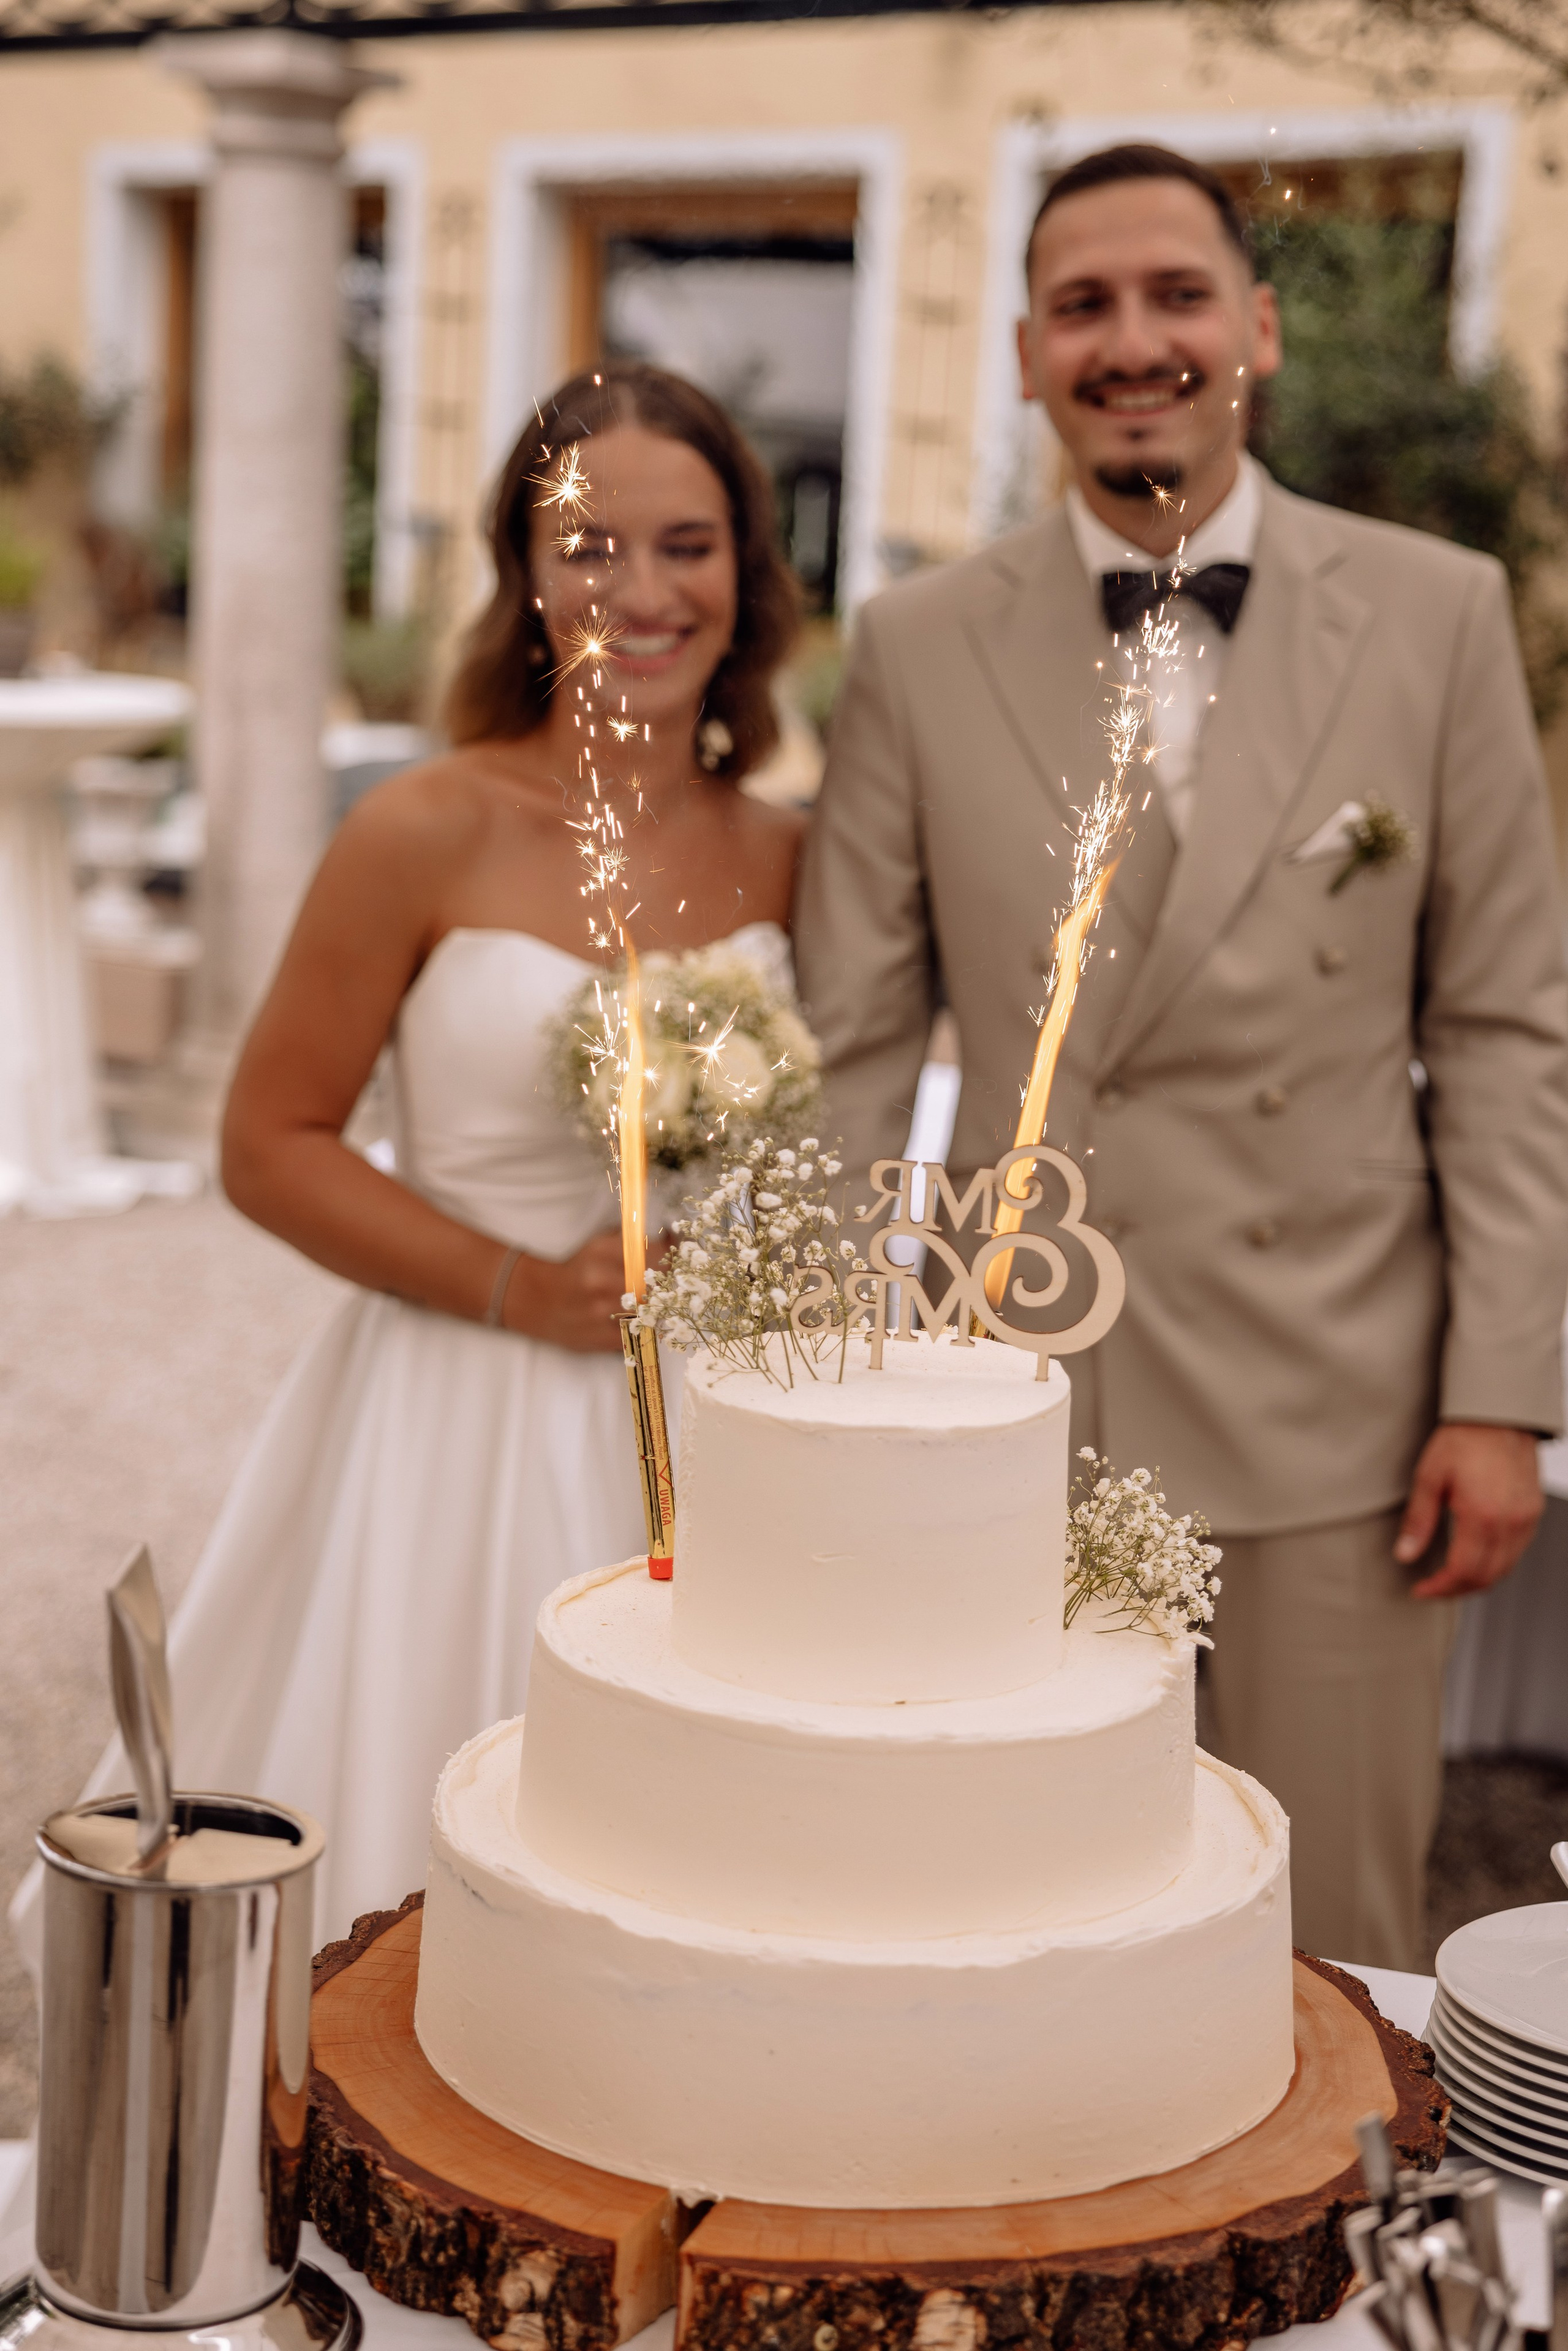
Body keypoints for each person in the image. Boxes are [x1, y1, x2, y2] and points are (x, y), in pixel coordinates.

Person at [794, 144, 1568, 1971]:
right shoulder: (913, 644)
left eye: (1176, 296)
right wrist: (816, 1383)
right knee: (1019, 1917)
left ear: (1261, 329)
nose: (1133, 341)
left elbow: (1506, 1021)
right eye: (1085, 305)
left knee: (1328, 1942)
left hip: (1346, 1416)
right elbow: (850, 1046)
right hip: (1017, 1400)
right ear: (1023, 352)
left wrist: (1501, 1392)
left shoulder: (1441, 610)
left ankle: (1358, 2273)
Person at [15, 361, 803, 1951]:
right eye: (590, 549)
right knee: (437, 1852)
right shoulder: (425, 828)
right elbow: (266, 1142)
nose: (643, 592)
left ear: (749, 576)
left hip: (716, 1434)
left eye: (689, 545)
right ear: (524, 580)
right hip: (463, 1411)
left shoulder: (789, 848)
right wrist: (518, 1286)